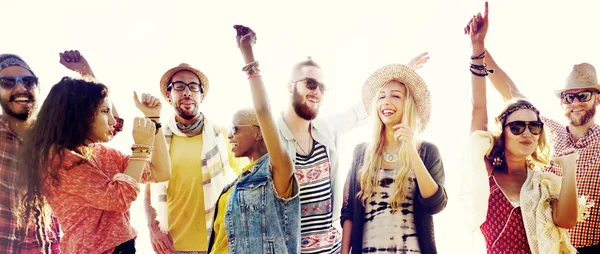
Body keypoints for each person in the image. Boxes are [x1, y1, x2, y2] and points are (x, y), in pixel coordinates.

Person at [463, 2, 598, 253]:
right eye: (569, 97)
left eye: (583, 96)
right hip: (548, 242)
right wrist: (479, 48)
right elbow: (508, 93)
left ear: (597, 98)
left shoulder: (596, 142)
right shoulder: (547, 129)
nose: (575, 102)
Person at [278, 48, 429, 253]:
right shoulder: (270, 138)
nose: (317, 91)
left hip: (330, 249)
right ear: (290, 86)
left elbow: (362, 110)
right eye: (310, 84)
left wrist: (403, 74)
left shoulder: (326, 129)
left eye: (323, 87)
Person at [16, 76, 171, 254]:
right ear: (80, 114)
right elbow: (118, 198)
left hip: (123, 247)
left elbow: (161, 172)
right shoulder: (57, 160)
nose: (113, 121)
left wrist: (154, 119)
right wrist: (141, 148)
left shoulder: (100, 152)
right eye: (105, 111)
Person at [207, 25, 299, 253]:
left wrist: (247, 52)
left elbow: (263, 109)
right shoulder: (238, 182)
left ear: (259, 132)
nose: (230, 134)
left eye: (236, 128)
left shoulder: (278, 170)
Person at [340, 64, 447, 254]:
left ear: (408, 104)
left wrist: (411, 149)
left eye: (396, 96)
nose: (386, 102)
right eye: (381, 96)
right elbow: (348, 210)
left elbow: (435, 204)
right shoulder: (361, 153)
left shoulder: (427, 151)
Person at [144, 61, 248, 254]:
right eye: (179, 86)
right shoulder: (157, 140)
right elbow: (148, 191)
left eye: (193, 87)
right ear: (168, 94)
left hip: (219, 244)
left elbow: (248, 179)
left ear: (202, 95)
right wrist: (152, 229)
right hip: (173, 246)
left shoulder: (223, 136)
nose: (187, 92)